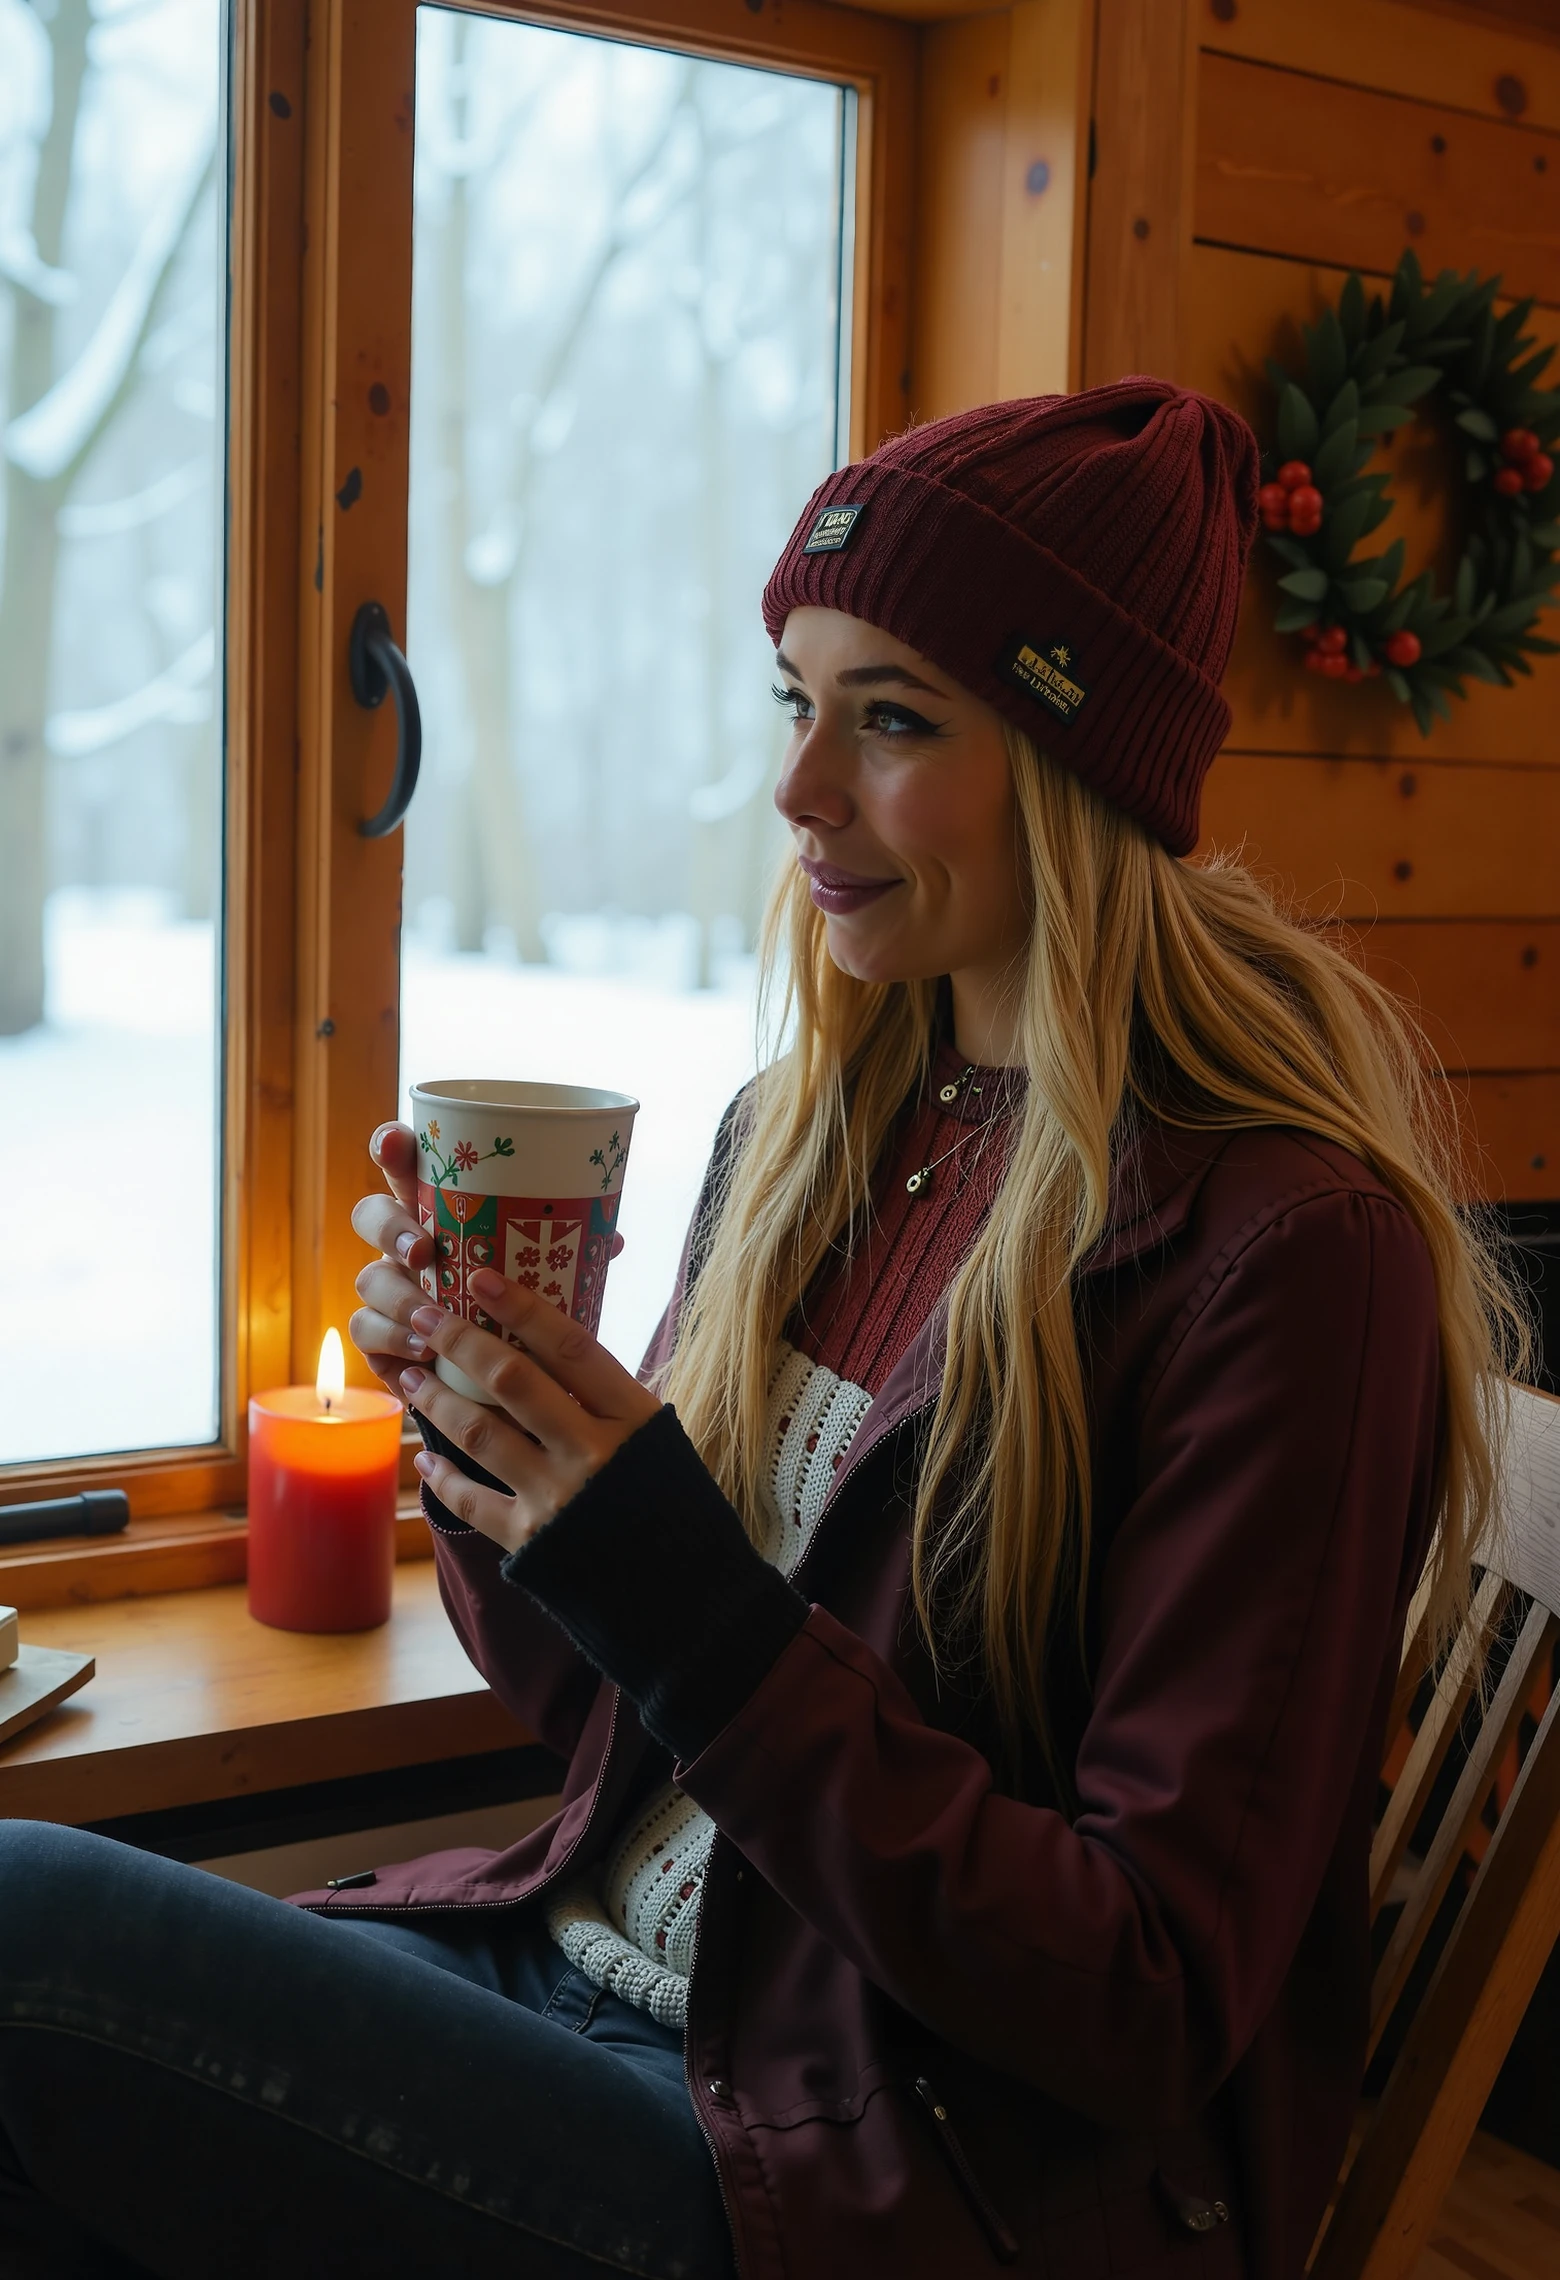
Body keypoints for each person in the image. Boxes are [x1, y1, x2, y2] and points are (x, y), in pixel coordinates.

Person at [0, 379, 1519, 2280]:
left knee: (26, 1938)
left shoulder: (1286, 1253)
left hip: (886, 2174)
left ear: (1079, 769)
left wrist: (681, 1584)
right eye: (797, 704)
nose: (801, 790)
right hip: (616, 1994)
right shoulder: (811, 1137)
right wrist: (499, 1467)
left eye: (892, 719)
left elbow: (1143, 1993)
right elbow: (623, 1721)